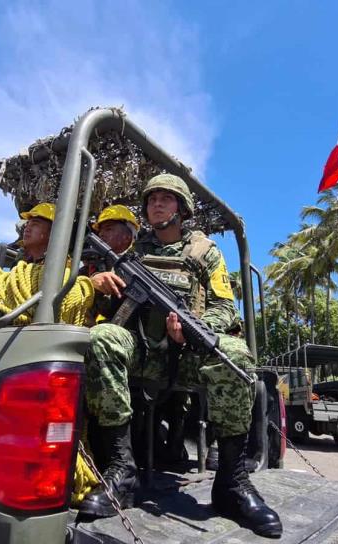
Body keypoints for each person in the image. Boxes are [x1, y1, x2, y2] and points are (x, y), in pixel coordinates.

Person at [81, 174, 281, 537]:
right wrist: (100, 285)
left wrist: (193, 328)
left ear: (182, 209)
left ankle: (232, 483)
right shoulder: (134, 251)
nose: (157, 204)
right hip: (142, 349)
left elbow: (225, 308)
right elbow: (111, 302)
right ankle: (122, 469)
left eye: (166, 199)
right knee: (102, 336)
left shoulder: (204, 252)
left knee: (235, 354)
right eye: (152, 198)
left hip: (188, 355)